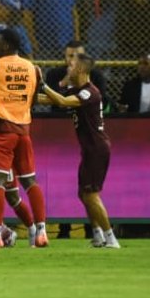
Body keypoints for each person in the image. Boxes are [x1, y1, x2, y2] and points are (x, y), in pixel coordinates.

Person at [0, 29, 48, 248]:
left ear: (4, 45)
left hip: (2, 131)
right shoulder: (33, 68)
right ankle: (41, 233)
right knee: (30, 182)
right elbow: (33, 101)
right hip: (24, 131)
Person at [39, 53, 120, 249]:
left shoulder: (90, 93)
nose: (68, 68)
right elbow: (51, 100)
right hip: (89, 149)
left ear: (81, 69)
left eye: (72, 66)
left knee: (91, 194)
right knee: (83, 193)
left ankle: (111, 238)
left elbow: (62, 102)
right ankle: (98, 235)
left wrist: (42, 85)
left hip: (97, 148)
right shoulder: (78, 91)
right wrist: (25, 95)